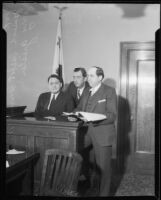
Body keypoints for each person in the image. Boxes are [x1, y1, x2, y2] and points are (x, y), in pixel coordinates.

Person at [75, 66, 117, 196]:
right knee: (76, 155)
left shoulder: (109, 91)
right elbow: (79, 108)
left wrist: (94, 118)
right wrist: (73, 114)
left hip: (102, 133)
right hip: (85, 132)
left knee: (104, 168)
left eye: (91, 75)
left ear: (100, 77)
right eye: (87, 75)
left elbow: (112, 115)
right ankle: (87, 187)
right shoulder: (87, 91)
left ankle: (104, 194)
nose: (88, 78)